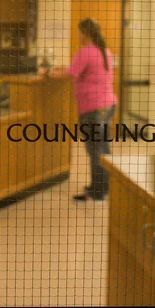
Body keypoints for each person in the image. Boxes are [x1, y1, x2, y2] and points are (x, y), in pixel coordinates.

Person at [43, 18, 117, 201]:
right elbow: (81, 71)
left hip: (93, 107)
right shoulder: (104, 51)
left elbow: (69, 74)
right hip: (108, 105)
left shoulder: (85, 52)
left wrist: (47, 73)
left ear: (85, 33)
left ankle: (96, 192)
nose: (77, 36)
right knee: (103, 147)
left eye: (79, 32)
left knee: (95, 150)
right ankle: (105, 187)